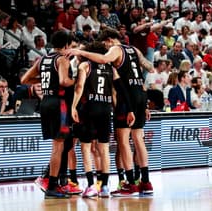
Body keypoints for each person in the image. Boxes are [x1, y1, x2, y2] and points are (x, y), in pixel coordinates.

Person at [67, 28, 155, 196]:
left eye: (106, 45)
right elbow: (149, 68)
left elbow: (103, 59)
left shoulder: (115, 49)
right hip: (140, 94)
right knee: (138, 138)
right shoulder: (134, 49)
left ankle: (130, 183)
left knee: (123, 141)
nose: (106, 48)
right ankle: (145, 181)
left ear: (108, 40)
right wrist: (143, 104)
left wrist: (81, 52)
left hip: (125, 96)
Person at [71, 41, 134, 198]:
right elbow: (116, 91)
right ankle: (105, 187)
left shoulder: (85, 66)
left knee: (86, 149)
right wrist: (119, 108)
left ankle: (91, 186)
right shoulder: (111, 69)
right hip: (105, 110)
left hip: (89, 109)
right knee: (104, 149)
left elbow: (79, 87)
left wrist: (73, 106)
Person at [21, 30, 75, 199]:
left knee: (60, 145)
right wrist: (79, 78)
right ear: (66, 45)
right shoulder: (62, 60)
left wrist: (44, 80)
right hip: (59, 104)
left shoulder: (42, 59)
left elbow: (24, 80)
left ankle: (53, 181)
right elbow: (63, 81)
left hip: (45, 103)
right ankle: (51, 185)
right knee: (58, 146)